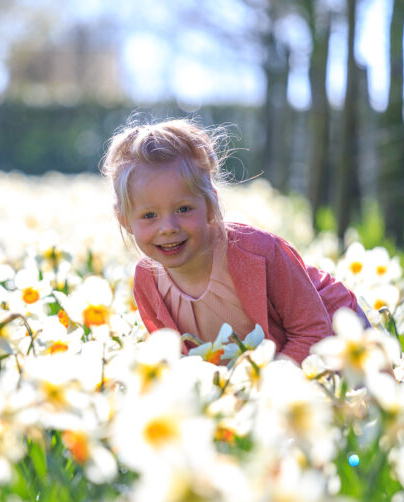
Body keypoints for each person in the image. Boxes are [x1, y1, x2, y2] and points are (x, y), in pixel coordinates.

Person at [101, 118, 369, 364]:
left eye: (183, 209)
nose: (168, 228)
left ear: (210, 204)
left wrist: (263, 390)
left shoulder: (258, 251)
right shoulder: (148, 281)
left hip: (343, 341)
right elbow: (177, 360)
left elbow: (313, 330)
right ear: (124, 219)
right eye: (149, 215)